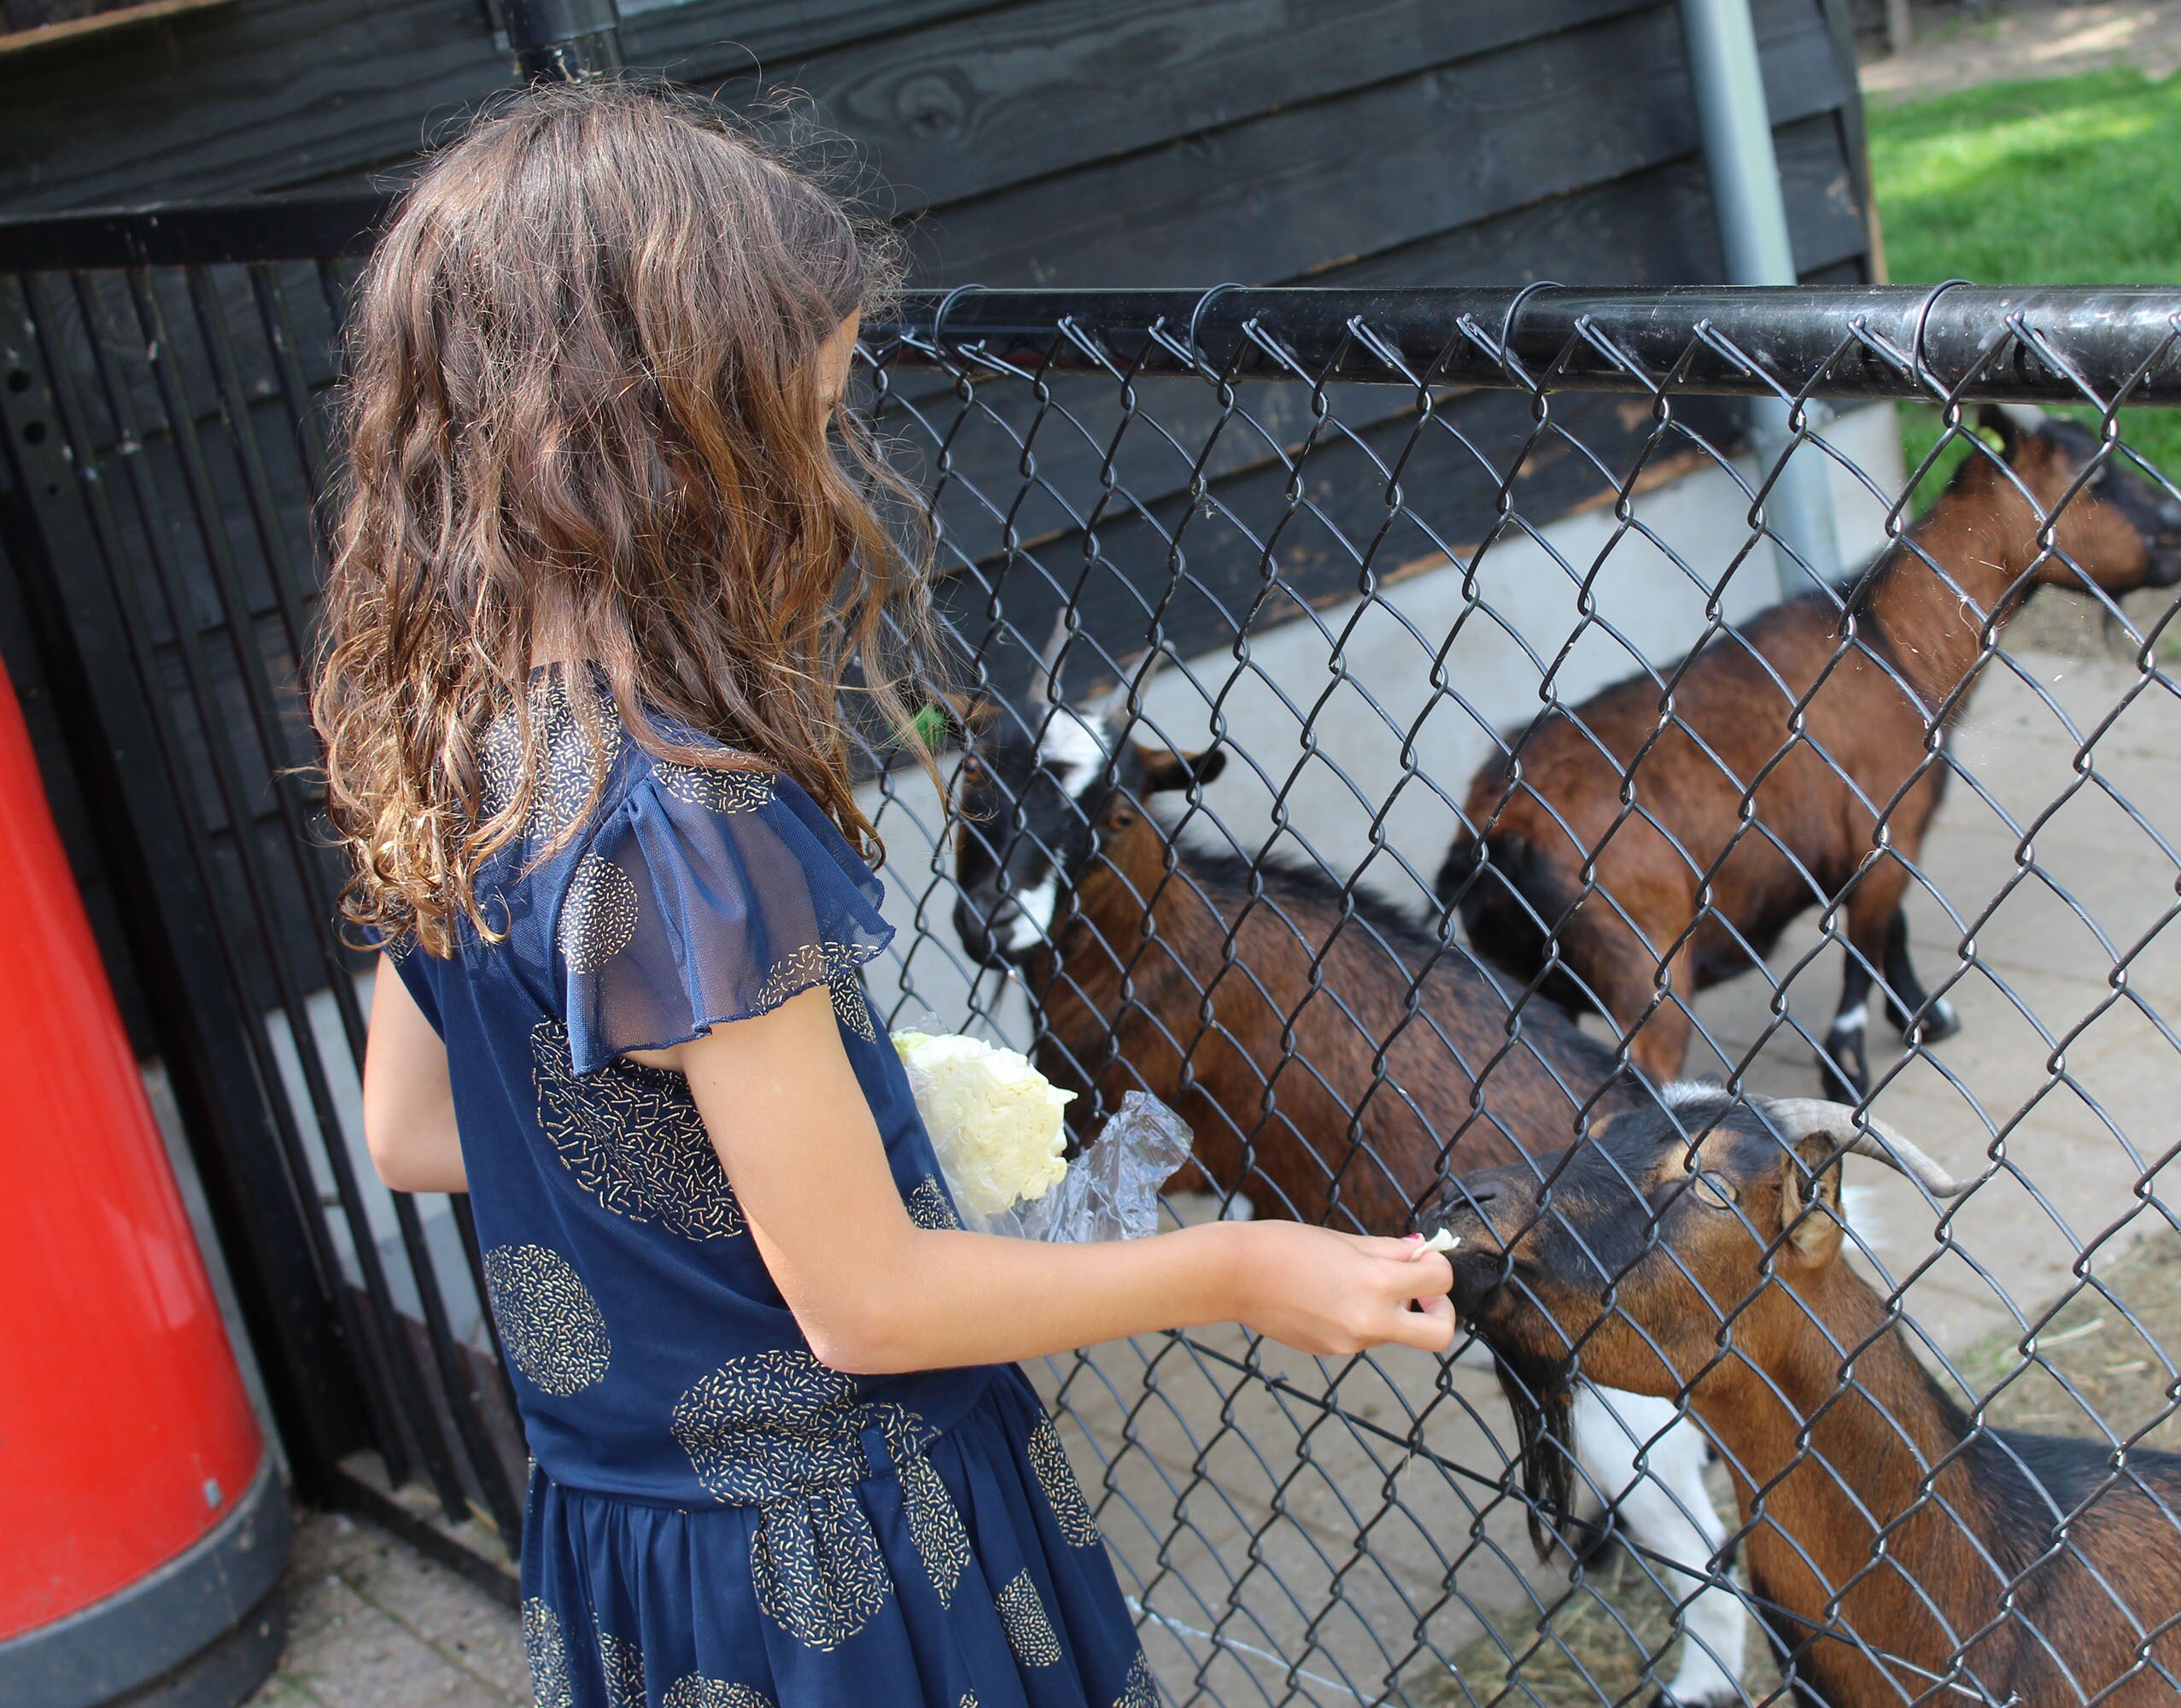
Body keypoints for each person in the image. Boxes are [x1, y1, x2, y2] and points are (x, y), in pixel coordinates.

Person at [314, 83, 1454, 1708]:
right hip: (845, 1558)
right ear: (673, 444)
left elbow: (417, 1132)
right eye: (805, 423)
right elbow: (867, 1308)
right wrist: (1239, 1266)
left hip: (635, 1540)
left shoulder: (455, 744)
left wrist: (806, 1129)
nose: (822, 476)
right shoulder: (690, 824)